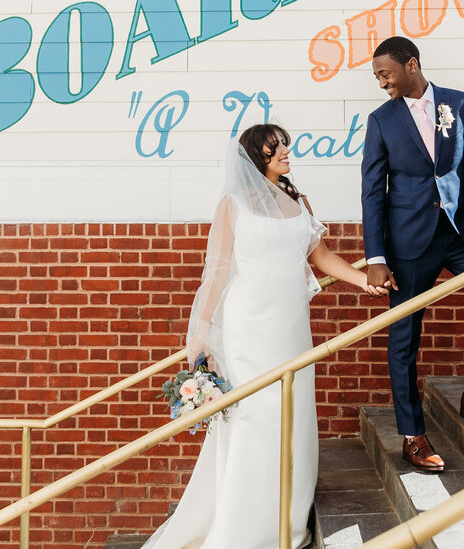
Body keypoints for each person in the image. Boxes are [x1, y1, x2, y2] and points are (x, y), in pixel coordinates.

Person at [142, 124, 386, 549]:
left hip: (291, 325)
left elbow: (321, 256)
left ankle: (288, 521)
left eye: (287, 144)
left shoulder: (297, 200)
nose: (288, 152)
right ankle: (245, 526)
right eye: (278, 146)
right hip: (247, 324)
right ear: (258, 155)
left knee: (292, 411)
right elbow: (216, 271)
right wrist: (199, 334)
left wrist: (363, 281)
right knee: (256, 415)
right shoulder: (232, 205)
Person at [360, 36, 464, 473]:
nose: (381, 83)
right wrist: (375, 256)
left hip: (459, 236)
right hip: (406, 244)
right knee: (404, 341)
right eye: (377, 76)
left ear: (411, 65)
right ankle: (413, 435)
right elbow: (373, 194)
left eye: (386, 74)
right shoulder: (380, 121)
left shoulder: (458, 103)